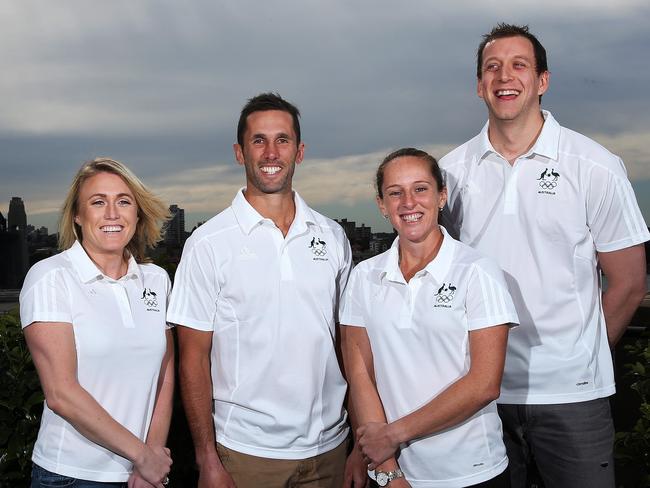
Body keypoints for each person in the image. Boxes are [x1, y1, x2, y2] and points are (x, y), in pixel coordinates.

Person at [439, 23, 649, 488]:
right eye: (491, 67)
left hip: (573, 394)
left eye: (519, 65)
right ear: (479, 86)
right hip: (478, 394)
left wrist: (583, 353)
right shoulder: (450, 174)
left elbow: (630, 281)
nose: (504, 76)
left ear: (542, 81)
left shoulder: (593, 165)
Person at [167, 93, 364, 487]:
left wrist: (360, 443)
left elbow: (350, 346)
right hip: (244, 455)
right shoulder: (207, 244)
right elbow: (192, 358)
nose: (271, 152)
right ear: (240, 153)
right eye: (259, 140)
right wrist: (206, 457)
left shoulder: (333, 236)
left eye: (282, 140)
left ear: (300, 151)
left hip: (331, 448)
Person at [341, 148, 519, 487]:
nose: (409, 202)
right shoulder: (363, 277)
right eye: (396, 193)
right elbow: (361, 374)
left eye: (420, 189)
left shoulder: (477, 272)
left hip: (472, 472)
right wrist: (389, 470)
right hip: (395, 472)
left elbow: (485, 383)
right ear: (382, 205)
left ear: (441, 196)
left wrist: (392, 435)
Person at [20, 158, 174, 488]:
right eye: (98, 202)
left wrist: (152, 457)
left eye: (123, 201)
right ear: (77, 215)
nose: (112, 214)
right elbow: (61, 393)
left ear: (137, 212)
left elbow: (164, 374)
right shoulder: (50, 278)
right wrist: (143, 456)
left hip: (142, 475)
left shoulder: (157, 280)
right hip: (70, 477)